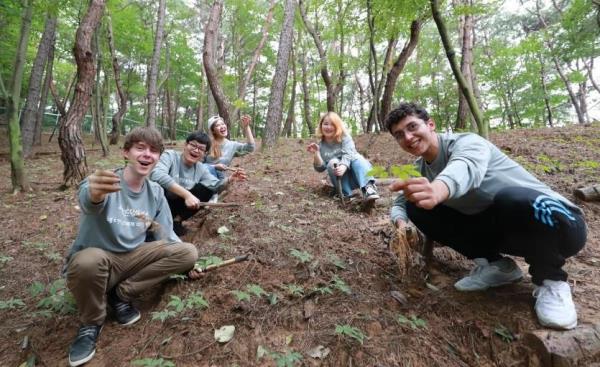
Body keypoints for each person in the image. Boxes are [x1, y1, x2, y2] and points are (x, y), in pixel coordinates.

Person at [384, 102, 587, 330]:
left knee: (511, 198)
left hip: (560, 225)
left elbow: (466, 166)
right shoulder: (419, 168)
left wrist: (439, 189)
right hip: (511, 232)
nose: (408, 137)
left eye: (413, 127)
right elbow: (401, 202)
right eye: (399, 135)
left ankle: (551, 280)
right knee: (416, 206)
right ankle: (498, 267)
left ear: (431, 125)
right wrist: (401, 224)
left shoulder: (467, 143)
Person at [65, 127, 198, 366]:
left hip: (133, 258)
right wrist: (94, 194)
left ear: (158, 158)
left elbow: (163, 233)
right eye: (140, 148)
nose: (147, 154)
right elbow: (89, 199)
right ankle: (91, 324)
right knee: (88, 261)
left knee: (188, 252)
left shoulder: (156, 192)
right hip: (99, 259)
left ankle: (121, 295)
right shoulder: (105, 182)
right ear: (126, 152)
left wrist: (188, 265)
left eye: (154, 150)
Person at [150, 131, 246, 236]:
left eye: (201, 149)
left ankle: (176, 221)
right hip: (158, 203)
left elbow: (215, 185)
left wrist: (230, 179)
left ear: (204, 154)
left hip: (176, 206)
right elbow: (157, 175)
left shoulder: (201, 168)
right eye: (193, 145)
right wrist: (187, 195)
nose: (196, 150)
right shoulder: (170, 156)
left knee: (207, 189)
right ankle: (156, 222)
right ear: (186, 145)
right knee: (159, 187)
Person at [306, 111, 379, 201]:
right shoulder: (321, 145)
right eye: (325, 124)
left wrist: (343, 166)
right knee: (332, 163)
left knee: (357, 157)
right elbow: (321, 168)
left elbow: (349, 153)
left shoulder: (344, 137)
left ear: (337, 126)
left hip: (359, 174)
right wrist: (316, 153)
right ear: (321, 126)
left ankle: (368, 188)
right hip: (342, 180)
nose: (328, 127)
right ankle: (347, 195)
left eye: (332, 124)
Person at [205, 114, 255, 179]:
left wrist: (246, 127)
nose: (222, 126)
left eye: (222, 124)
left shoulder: (232, 145)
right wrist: (214, 166)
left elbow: (250, 148)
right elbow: (197, 165)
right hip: (204, 178)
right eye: (217, 125)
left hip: (220, 182)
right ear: (213, 130)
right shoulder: (207, 143)